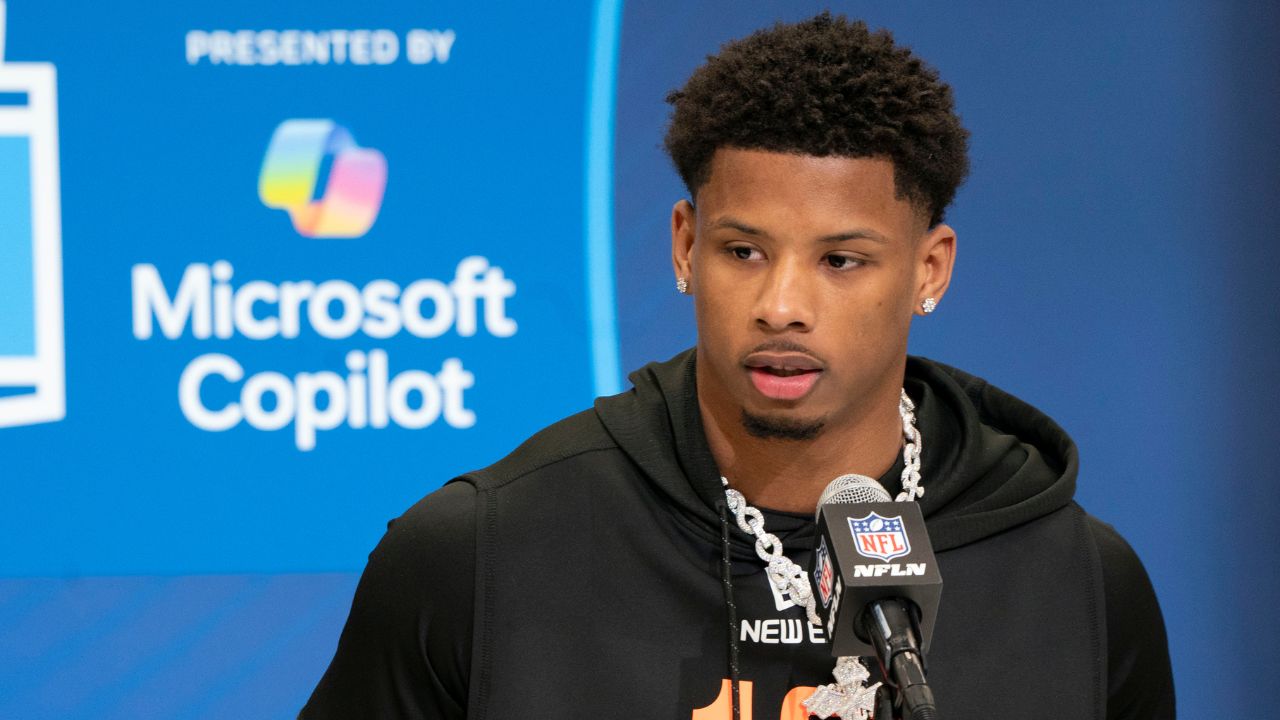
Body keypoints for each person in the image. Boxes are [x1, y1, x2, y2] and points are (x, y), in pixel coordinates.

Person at [300, 12, 1174, 719]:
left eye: (841, 261)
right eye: (745, 250)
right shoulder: (480, 556)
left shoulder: (1077, 585)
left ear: (929, 270)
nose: (781, 304)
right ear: (685, 247)